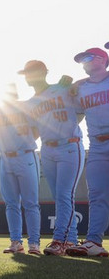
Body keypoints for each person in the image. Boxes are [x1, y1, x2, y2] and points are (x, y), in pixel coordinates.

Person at [20, 60, 84, 256]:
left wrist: (68, 129)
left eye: (33, 71)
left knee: (65, 195)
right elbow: (34, 131)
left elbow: (80, 111)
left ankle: (58, 240)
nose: (29, 76)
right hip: (47, 149)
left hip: (69, 146)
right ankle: (71, 240)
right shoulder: (30, 103)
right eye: (27, 73)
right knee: (60, 197)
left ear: (44, 72)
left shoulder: (62, 87)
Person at [0, 84, 41, 255]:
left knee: (30, 202)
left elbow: (37, 130)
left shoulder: (26, 107)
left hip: (25, 155)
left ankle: (34, 243)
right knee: (11, 203)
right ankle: (16, 242)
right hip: (5, 156)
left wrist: (22, 142)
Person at [66, 48, 109, 258]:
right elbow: (74, 116)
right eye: (82, 60)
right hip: (97, 145)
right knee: (97, 195)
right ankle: (94, 242)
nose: (84, 62)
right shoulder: (80, 89)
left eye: (88, 57)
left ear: (103, 59)